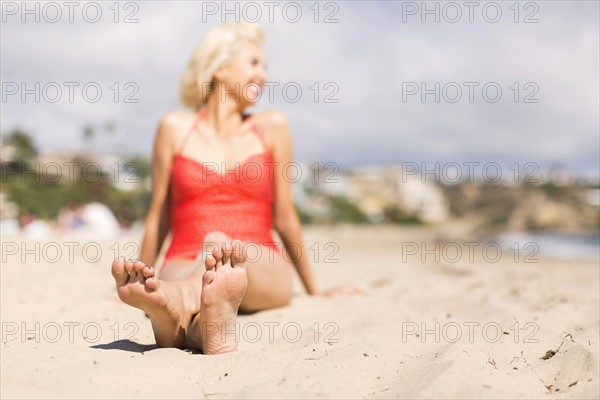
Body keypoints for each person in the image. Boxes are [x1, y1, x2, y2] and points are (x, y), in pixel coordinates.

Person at [111, 22, 359, 355]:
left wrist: (314, 289)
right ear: (220, 68)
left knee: (219, 245)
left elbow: (285, 216)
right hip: (185, 257)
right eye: (255, 63)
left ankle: (182, 299)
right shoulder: (174, 128)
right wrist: (140, 278)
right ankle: (204, 329)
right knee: (208, 265)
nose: (264, 76)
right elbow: (159, 216)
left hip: (260, 262)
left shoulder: (271, 127)